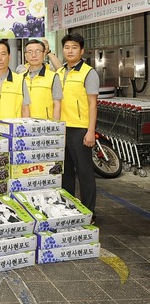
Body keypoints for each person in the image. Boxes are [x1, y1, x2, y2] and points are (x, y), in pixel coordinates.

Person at [56, 33, 99, 220]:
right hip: (62, 129)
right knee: (65, 173)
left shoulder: (89, 72)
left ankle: (89, 211)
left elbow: (93, 104)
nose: (70, 50)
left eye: (74, 47)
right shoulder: (59, 72)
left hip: (80, 129)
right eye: (67, 47)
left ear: (81, 51)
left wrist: (90, 131)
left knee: (84, 172)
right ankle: (69, 209)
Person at [0, 40, 31, 120]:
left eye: (3, 54)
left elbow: (25, 109)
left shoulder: (20, 80)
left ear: (9, 56)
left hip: (13, 130)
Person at [22, 39, 62, 120]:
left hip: (45, 126)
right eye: (29, 52)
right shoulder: (20, 77)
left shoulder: (53, 76)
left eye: (38, 51)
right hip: (24, 126)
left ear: (44, 54)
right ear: (26, 56)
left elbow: (57, 104)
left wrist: (55, 128)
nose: (33, 55)